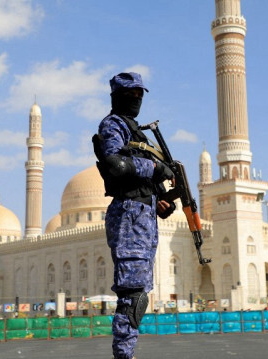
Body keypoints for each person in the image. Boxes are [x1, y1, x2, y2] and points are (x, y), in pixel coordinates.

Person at [93, 72, 176, 359]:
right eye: (132, 94)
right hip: (129, 216)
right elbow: (116, 164)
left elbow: (138, 173)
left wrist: (161, 199)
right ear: (117, 96)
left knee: (139, 292)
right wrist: (155, 169)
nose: (137, 99)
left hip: (142, 216)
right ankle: (124, 356)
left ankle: (127, 354)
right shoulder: (113, 125)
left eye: (141, 94)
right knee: (132, 295)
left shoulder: (137, 133)